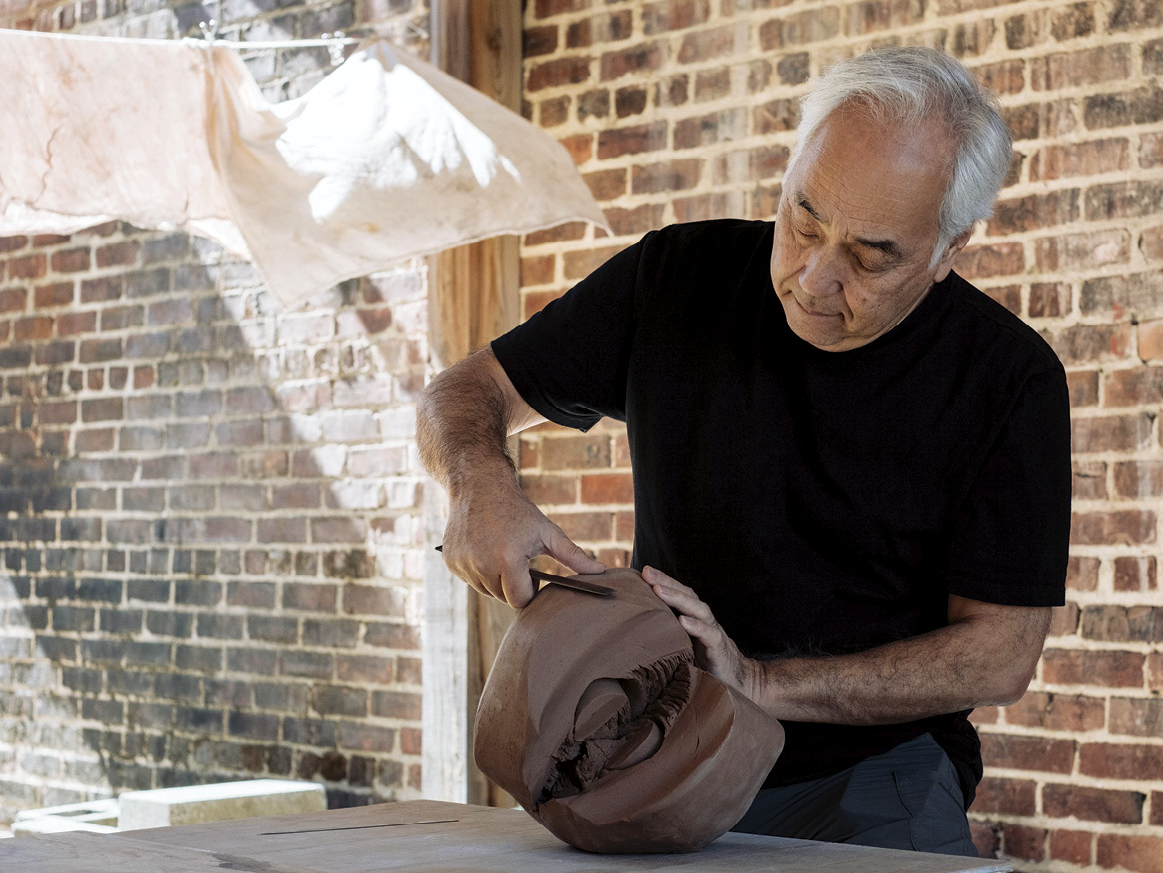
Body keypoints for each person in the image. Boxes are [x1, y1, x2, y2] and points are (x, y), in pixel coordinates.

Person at [416, 46, 1071, 856]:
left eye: (870, 256)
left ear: (949, 251)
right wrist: (480, 484)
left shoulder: (1009, 380)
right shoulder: (676, 278)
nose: (812, 278)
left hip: (869, 776)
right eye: (803, 219)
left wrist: (760, 682)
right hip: (661, 744)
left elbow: (998, 656)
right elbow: (465, 391)